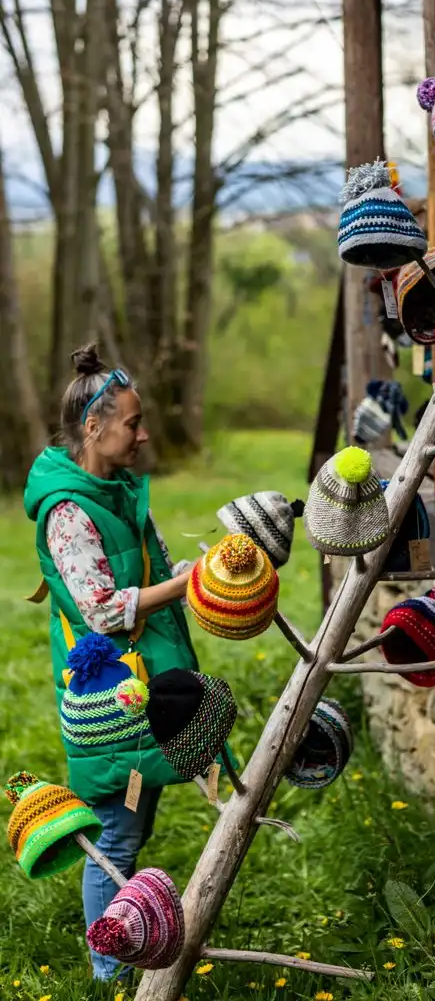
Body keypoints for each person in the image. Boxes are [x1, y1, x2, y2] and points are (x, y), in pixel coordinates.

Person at [24, 343, 198, 982]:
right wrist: (187, 585)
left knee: (132, 823)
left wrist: (200, 572)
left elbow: (142, 570)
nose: (144, 433)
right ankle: (108, 972)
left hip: (139, 679)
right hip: (107, 693)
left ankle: (119, 956)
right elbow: (100, 610)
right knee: (115, 839)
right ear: (93, 428)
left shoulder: (116, 489)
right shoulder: (69, 512)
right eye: (132, 422)